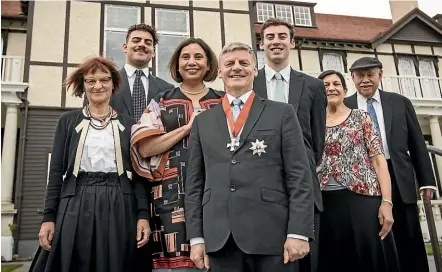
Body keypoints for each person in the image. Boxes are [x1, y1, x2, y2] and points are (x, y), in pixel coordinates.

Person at [185, 42, 314, 272]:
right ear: (220, 72)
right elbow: (194, 184)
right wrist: (196, 238)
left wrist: (298, 231)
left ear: (255, 70)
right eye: (229, 64)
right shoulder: (202, 121)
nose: (237, 68)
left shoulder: (282, 113)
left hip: (272, 236)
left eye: (244, 63)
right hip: (220, 238)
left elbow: (299, 176)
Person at [30, 56, 150, 272]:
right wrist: (48, 218)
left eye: (104, 79)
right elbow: (56, 172)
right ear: (83, 85)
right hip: (76, 200)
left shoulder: (130, 124)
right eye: (90, 80)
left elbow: (139, 174)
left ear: (113, 84)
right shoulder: (67, 121)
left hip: (120, 202)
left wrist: (143, 215)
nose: (98, 86)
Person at [130, 37, 223, 271]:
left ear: (209, 65)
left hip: (217, 191)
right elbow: (144, 148)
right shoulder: (161, 101)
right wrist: (189, 127)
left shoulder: (223, 101)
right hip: (170, 195)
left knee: (219, 255)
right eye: (186, 57)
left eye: (198, 57)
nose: (192, 62)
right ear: (177, 65)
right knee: (176, 264)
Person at [345, 57, 437, 272]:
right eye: (360, 76)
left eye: (370, 74)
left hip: (399, 175)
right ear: (353, 78)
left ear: (380, 75)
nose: (365, 80)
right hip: (364, 177)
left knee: (408, 235)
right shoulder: (345, 105)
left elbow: (417, 143)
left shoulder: (399, 102)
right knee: (372, 233)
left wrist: (427, 180)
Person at [253, 18, 326, 272]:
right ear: (261, 44)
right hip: (259, 182)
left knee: (305, 261)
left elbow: (317, 142)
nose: (276, 41)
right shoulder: (249, 84)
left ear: (292, 43)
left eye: (282, 36)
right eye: (270, 37)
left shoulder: (314, 87)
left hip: (302, 183)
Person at [317, 70, 399, 272]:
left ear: (345, 90)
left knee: (369, 258)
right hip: (325, 202)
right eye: (325, 85)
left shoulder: (361, 117)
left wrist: (387, 203)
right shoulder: (312, 123)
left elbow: (380, 162)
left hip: (363, 199)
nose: (331, 88)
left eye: (336, 84)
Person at [85, 23, 174, 121]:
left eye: (148, 43)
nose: (141, 44)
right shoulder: (102, 83)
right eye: (136, 41)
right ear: (125, 47)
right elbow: (87, 120)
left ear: (153, 52)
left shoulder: (167, 90)